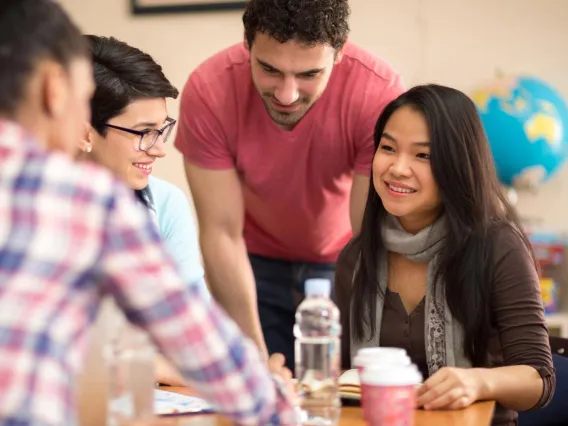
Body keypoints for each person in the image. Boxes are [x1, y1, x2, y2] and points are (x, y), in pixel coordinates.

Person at [0, 1, 295, 425]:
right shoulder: (84, 200)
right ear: (54, 88)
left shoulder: (159, 201)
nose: (158, 147)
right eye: (82, 99)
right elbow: (203, 347)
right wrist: (280, 409)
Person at [174, 0, 405, 369]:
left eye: (309, 74)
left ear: (341, 49)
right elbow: (220, 233)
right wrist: (253, 363)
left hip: (345, 262)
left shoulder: (376, 92)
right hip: (250, 266)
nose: (287, 94)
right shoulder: (209, 91)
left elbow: (370, 236)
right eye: (269, 69)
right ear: (247, 43)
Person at [334, 84, 555, 425]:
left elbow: (540, 380)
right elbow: (340, 378)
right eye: (388, 148)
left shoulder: (498, 246)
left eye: (423, 155)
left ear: (458, 165)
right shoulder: (357, 255)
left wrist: (478, 382)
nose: (397, 168)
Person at [77, 34, 207, 386]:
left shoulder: (165, 204)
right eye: (143, 133)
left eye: (162, 129)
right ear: (84, 133)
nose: (159, 149)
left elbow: (195, 336)